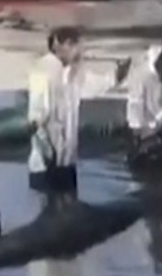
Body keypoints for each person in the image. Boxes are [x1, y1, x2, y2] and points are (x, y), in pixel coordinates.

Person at [28, 26, 131, 192]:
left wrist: (118, 76)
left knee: (68, 205)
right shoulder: (43, 70)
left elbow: (94, 85)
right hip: (46, 165)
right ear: (60, 45)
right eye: (75, 46)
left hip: (68, 163)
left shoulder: (73, 73)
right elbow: (38, 111)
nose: (80, 52)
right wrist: (40, 131)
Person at [127, 44, 162, 164]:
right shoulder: (142, 75)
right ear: (158, 66)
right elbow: (135, 103)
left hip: (160, 125)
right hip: (143, 127)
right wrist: (139, 129)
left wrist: (160, 121)